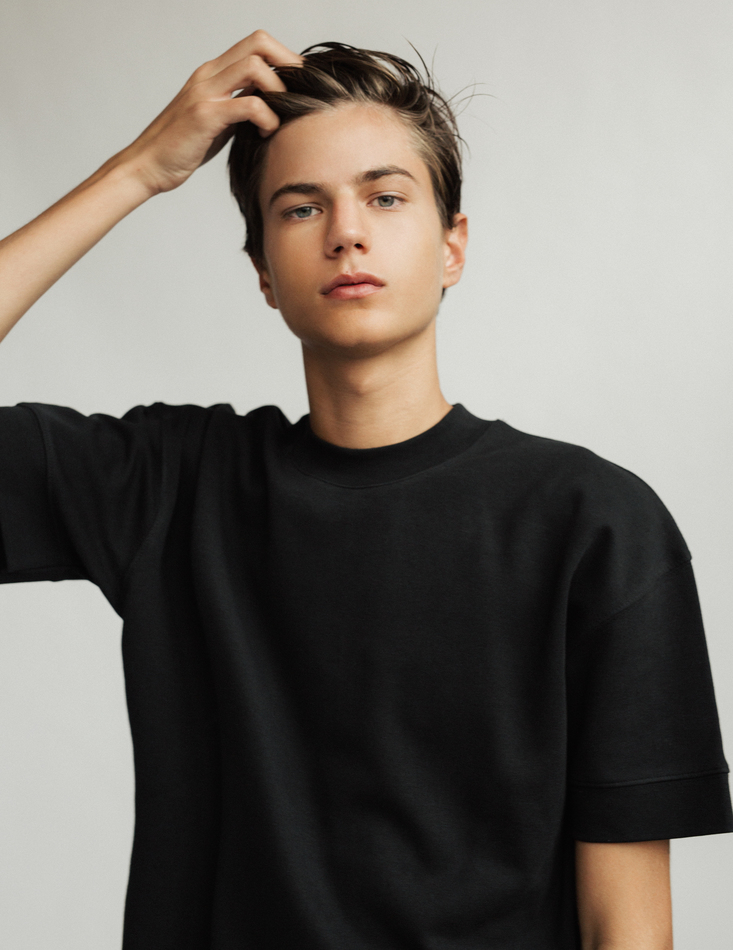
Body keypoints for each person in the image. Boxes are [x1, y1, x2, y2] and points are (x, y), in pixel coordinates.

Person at [0, 28, 730, 950]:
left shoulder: (595, 525)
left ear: (452, 246)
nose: (346, 232)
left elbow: (625, 924)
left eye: (385, 197)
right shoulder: (170, 487)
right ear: (262, 274)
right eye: (301, 207)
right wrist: (138, 170)